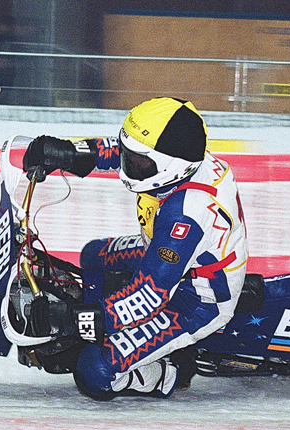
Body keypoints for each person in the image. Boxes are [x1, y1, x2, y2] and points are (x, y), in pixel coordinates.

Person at [23, 97, 248, 400]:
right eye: (130, 156)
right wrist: (69, 153)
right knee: (93, 255)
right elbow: (120, 151)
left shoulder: (186, 214)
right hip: (171, 256)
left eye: (138, 163)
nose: (126, 164)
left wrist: (73, 318)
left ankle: (169, 372)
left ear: (170, 168)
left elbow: (150, 295)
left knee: (93, 371)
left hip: (196, 298)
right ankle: (111, 325)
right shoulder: (182, 159)